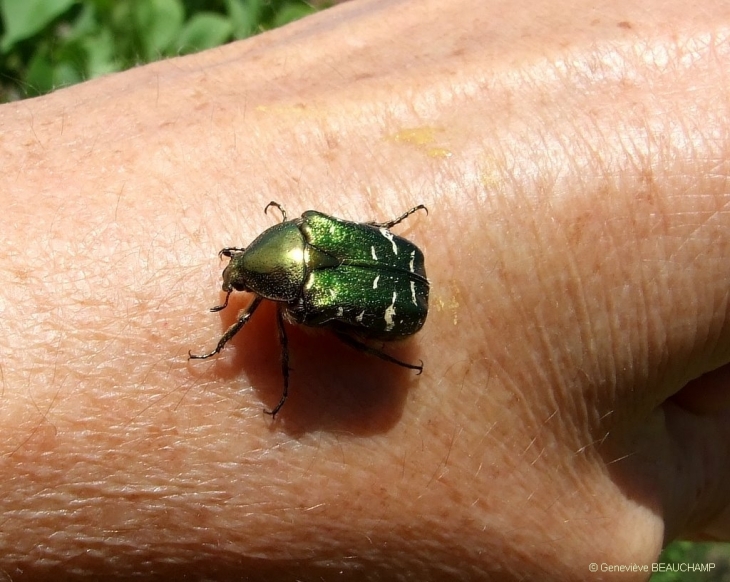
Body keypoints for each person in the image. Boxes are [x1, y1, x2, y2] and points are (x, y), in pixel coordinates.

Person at [1, 0, 728, 578]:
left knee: (313, 330)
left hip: (393, 302)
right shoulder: (307, 232)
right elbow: (269, 263)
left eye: (246, 273)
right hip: (384, 261)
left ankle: (384, 360)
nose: (240, 280)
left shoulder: (300, 295)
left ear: (271, 267)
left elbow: (287, 313)